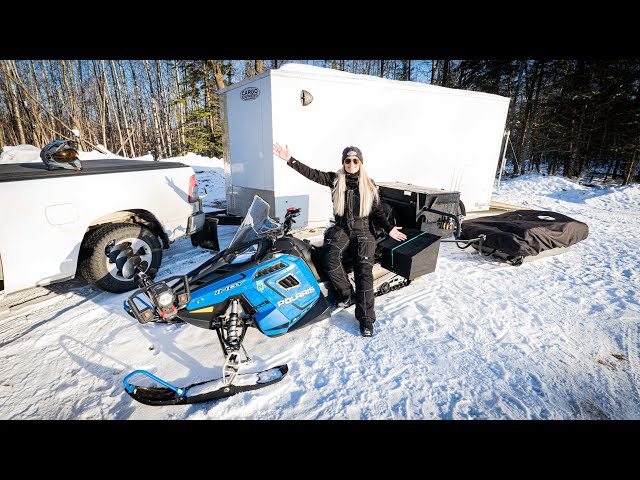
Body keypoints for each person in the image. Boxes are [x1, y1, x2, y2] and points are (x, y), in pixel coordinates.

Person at [272, 143, 407, 337]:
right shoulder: (336, 179)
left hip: (363, 231)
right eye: (347, 160)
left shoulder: (369, 185)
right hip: (342, 229)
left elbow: (377, 212)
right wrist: (290, 160)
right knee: (329, 256)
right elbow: (312, 173)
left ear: (360, 162)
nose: (351, 163)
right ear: (343, 163)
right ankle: (346, 294)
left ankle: (366, 319)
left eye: (355, 160)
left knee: (364, 271)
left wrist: (389, 228)